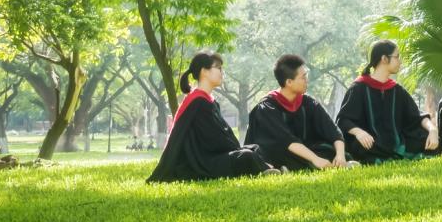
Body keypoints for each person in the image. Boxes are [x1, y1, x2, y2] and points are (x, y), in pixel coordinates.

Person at [148, 51, 273, 183]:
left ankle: (268, 169)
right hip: (201, 163)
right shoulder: (198, 102)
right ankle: (267, 170)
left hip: (211, 156)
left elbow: (222, 135)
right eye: (218, 68)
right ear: (204, 72)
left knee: (254, 148)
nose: (222, 73)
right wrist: (236, 149)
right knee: (246, 155)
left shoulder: (208, 101)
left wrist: (237, 148)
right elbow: (215, 139)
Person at [336, 39, 440, 163]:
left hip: (396, 142)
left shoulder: (397, 90)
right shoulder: (358, 88)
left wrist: (432, 130)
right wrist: (359, 132)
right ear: (384, 59)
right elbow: (343, 120)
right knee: (359, 144)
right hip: (370, 143)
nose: (400, 61)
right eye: (397, 57)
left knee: (426, 137)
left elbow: (416, 116)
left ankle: (388, 155)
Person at [245, 53, 347, 170]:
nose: (306, 80)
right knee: (280, 155)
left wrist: (340, 155)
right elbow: (286, 140)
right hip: (279, 153)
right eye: (303, 77)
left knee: (328, 149)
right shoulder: (267, 107)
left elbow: (333, 130)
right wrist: (315, 159)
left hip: (306, 151)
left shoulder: (308, 103)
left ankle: (331, 162)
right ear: (289, 82)